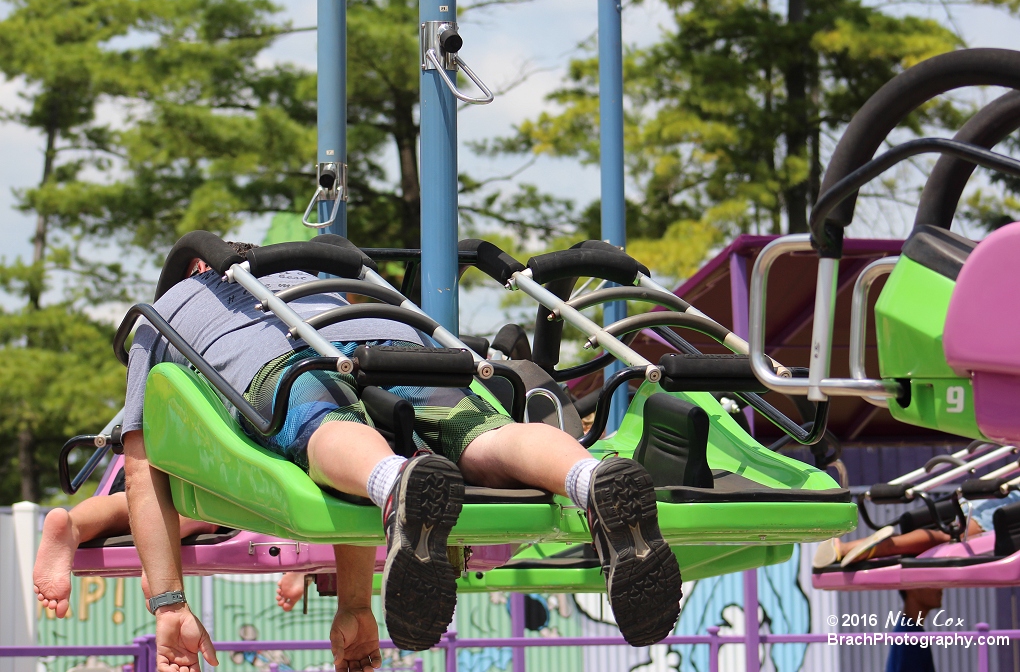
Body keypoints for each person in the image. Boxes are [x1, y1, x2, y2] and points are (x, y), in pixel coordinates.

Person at [119, 242, 682, 672]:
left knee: (322, 425)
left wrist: (169, 603)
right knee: (481, 434)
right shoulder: (307, 275)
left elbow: (142, 468)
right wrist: (356, 605)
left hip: (269, 359)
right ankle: (588, 478)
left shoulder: (162, 313)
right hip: (388, 337)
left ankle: (391, 482)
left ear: (189, 272)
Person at [33, 468, 220, 617]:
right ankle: (157, 549)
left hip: (143, 448)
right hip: (202, 457)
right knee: (205, 513)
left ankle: (74, 524)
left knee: (123, 502)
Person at [814, 491, 1020, 568]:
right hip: (1008, 501)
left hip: (995, 494)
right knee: (950, 535)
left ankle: (848, 546)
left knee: (948, 534)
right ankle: (876, 546)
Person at [884, 588, 941, 672]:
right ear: (911, 587)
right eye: (931, 581)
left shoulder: (909, 632)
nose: (940, 588)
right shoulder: (910, 637)